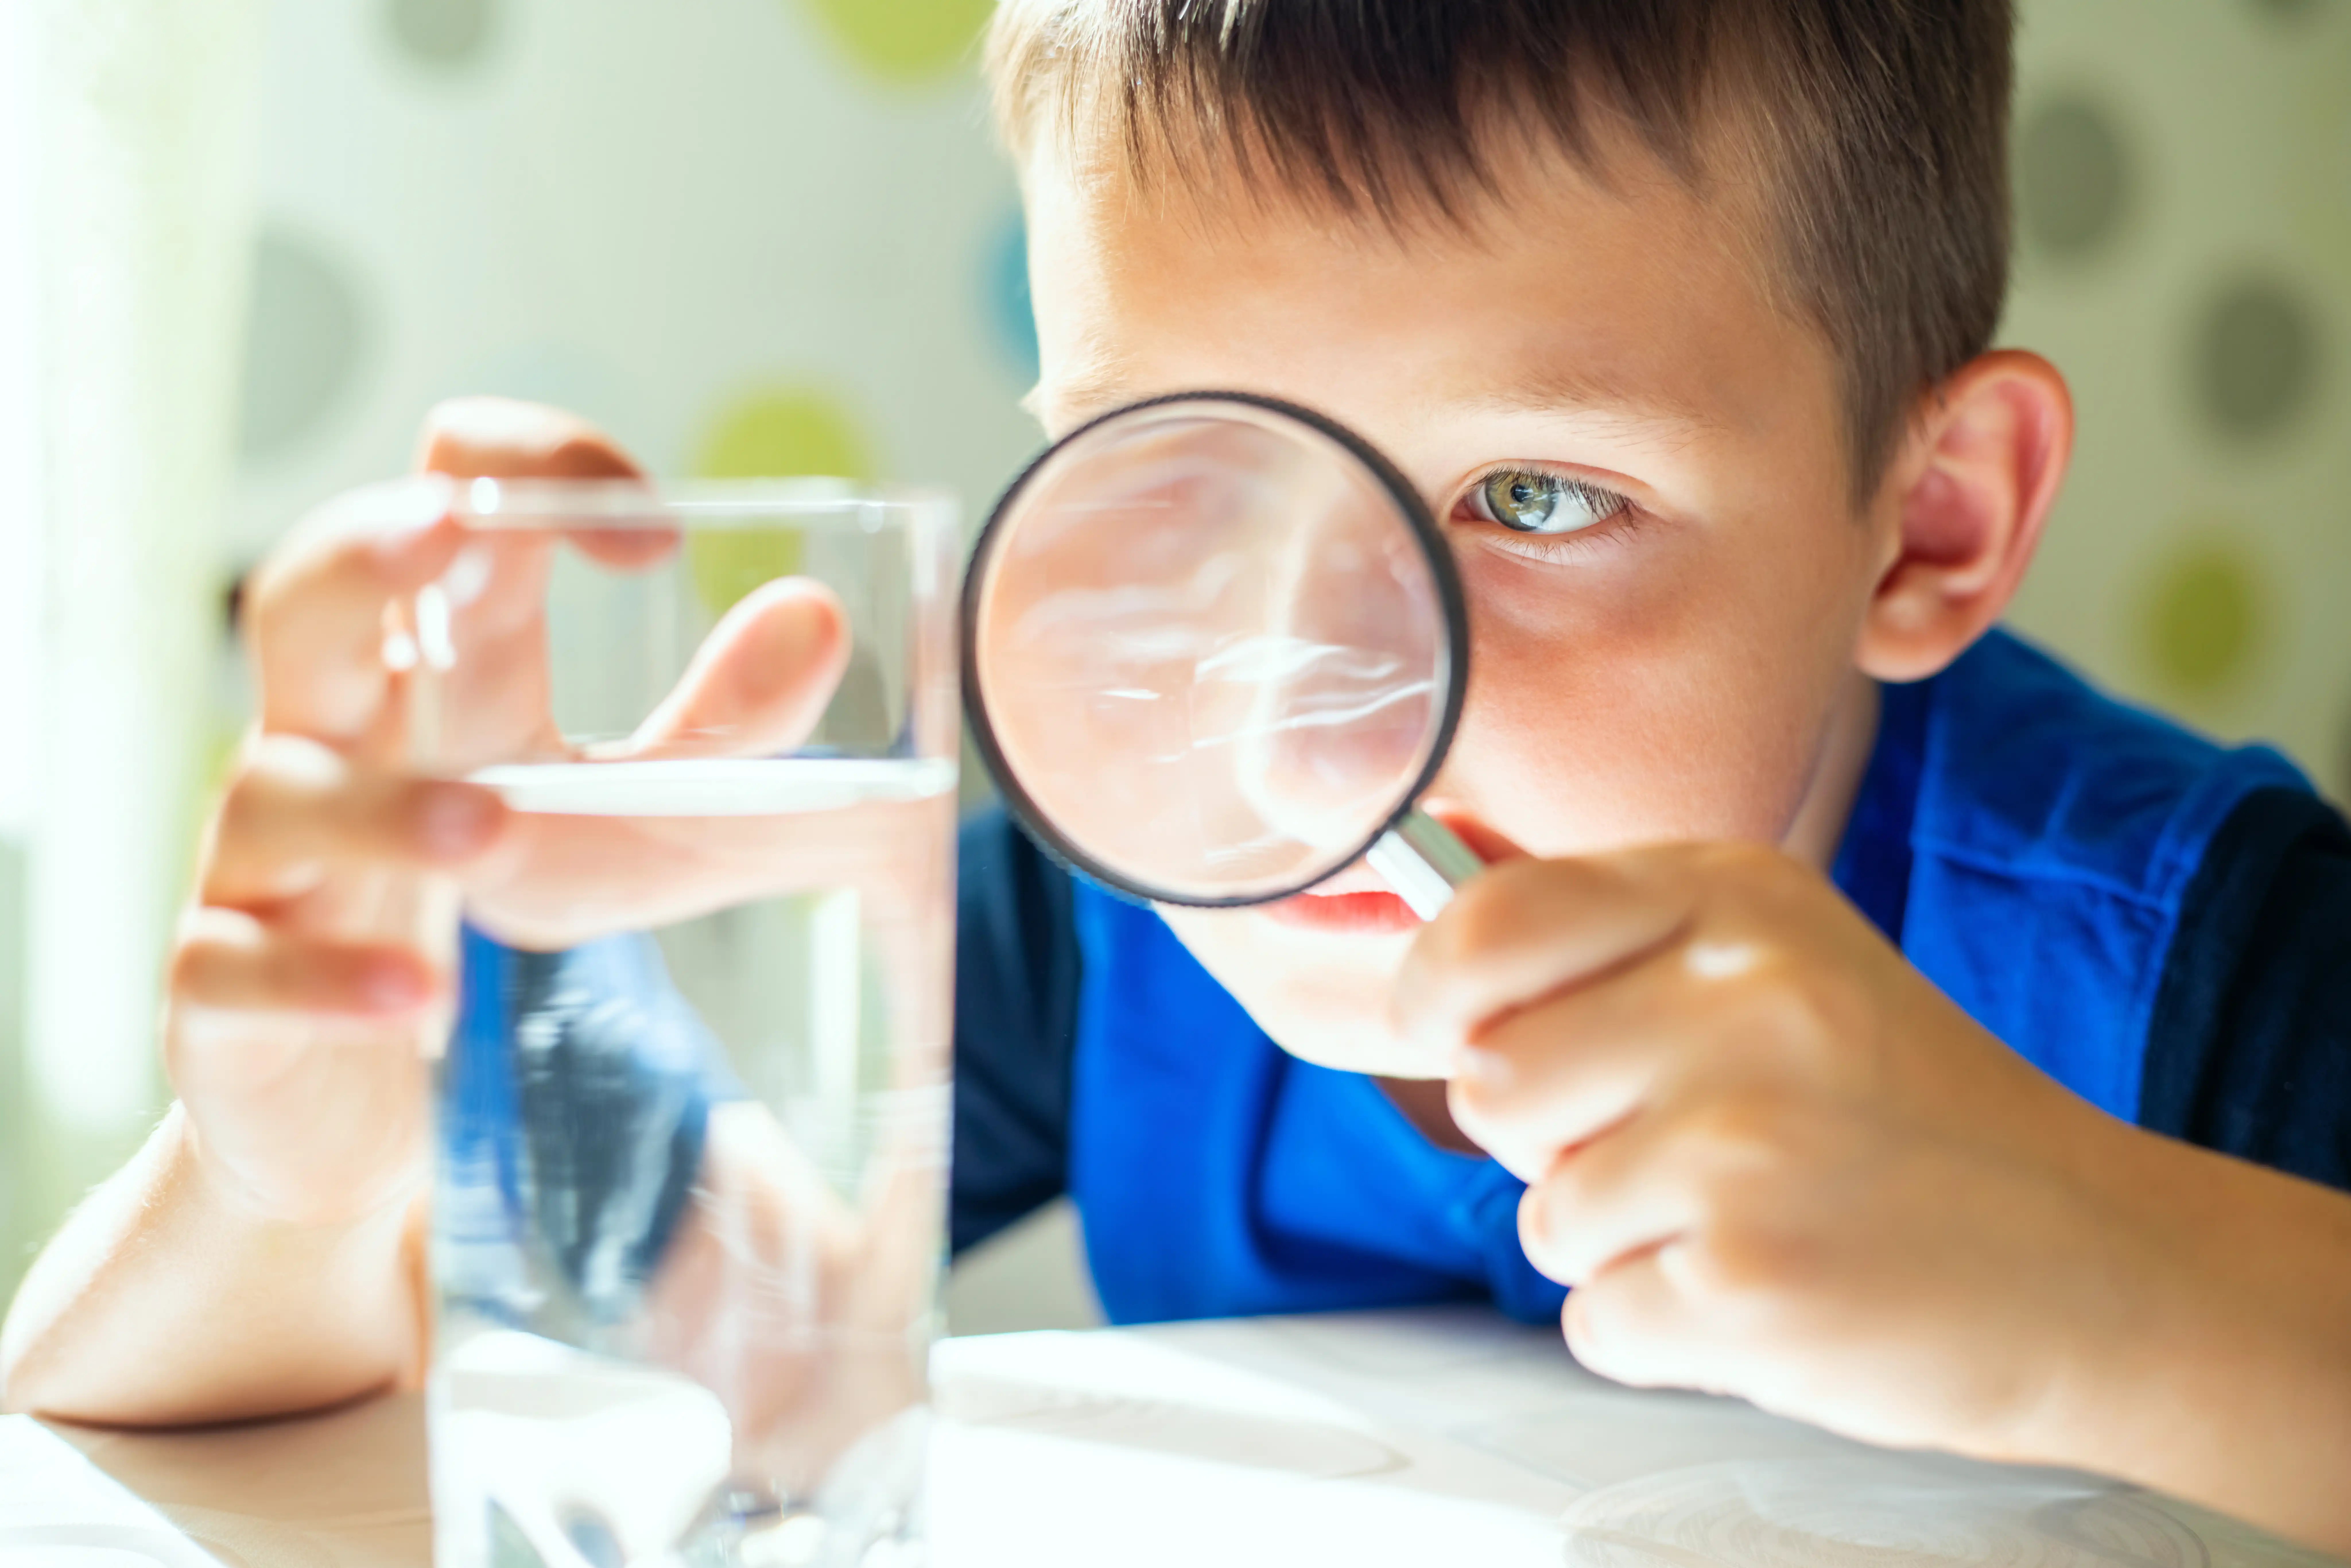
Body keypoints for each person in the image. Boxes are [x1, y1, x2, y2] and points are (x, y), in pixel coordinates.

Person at [8, 0, 2351, 1550]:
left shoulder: (2186, 945)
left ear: (1926, 519)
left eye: (1534, 498)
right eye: (1188, 481)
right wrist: (301, 1163)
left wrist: (2102, 1273)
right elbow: (221, 1404)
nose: (1307, 686)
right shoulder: (1108, 918)